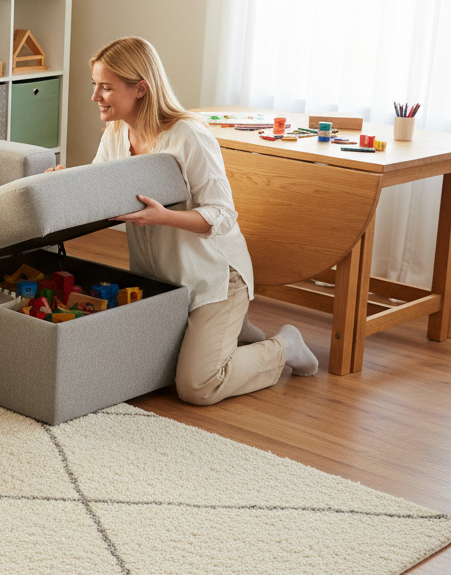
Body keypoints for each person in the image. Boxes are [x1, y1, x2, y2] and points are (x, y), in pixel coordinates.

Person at [50, 36, 319, 405]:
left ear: (140, 88)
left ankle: (285, 345)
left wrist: (165, 218)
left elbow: (223, 215)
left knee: (197, 386)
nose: (95, 96)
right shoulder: (116, 134)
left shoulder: (188, 135)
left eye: (106, 87)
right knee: (142, 371)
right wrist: (64, 184)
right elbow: (101, 193)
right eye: (95, 85)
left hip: (212, 278)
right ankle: (236, 332)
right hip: (163, 280)